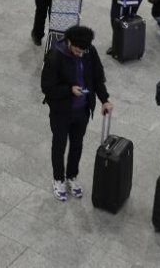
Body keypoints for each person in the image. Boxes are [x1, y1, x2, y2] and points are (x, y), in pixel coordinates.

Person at [40, 25, 113, 201]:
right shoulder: (55, 56)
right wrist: (69, 90)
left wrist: (105, 99)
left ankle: (72, 176)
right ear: (69, 42)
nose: (81, 54)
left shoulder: (89, 51)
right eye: (77, 50)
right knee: (59, 145)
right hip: (61, 111)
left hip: (82, 110)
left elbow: (97, 77)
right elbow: (47, 88)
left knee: (77, 144)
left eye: (83, 51)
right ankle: (58, 179)